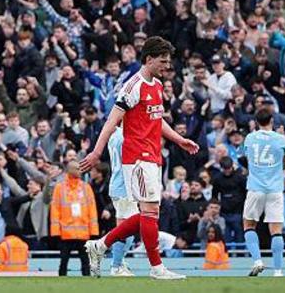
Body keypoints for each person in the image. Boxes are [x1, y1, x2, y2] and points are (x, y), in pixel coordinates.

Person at [80, 36, 200, 280]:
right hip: (136, 158)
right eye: (162, 61)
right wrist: (95, 152)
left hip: (153, 156)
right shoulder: (132, 86)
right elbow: (112, 121)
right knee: (149, 212)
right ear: (149, 59)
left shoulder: (156, 85)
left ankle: (100, 245)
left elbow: (157, 120)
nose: (166, 66)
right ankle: (156, 268)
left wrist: (179, 139)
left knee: (147, 214)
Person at [240, 106, 285, 277]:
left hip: (255, 187)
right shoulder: (281, 139)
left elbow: (247, 158)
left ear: (256, 122)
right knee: (276, 230)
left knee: (249, 224)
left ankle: (257, 261)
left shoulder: (250, 138)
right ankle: (278, 271)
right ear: (272, 121)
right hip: (275, 189)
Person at [50, 158, 98, 276]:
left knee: (86, 262)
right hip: (66, 233)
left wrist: (94, 231)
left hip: (83, 232)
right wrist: (56, 232)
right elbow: (55, 210)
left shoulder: (86, 187)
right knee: (64, 261)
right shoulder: (59, 188)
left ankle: (88, 283)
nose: (80, 171)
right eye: (78, 169)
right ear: (70, 170)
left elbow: (92, 210)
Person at [106, 125, 135, 276]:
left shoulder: (114, 134)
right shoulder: (126, 137)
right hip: (125, 186)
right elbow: (131, 162)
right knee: (127, 228)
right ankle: (116, 265)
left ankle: (119, 262)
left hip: (117, 184)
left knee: (126, 227)